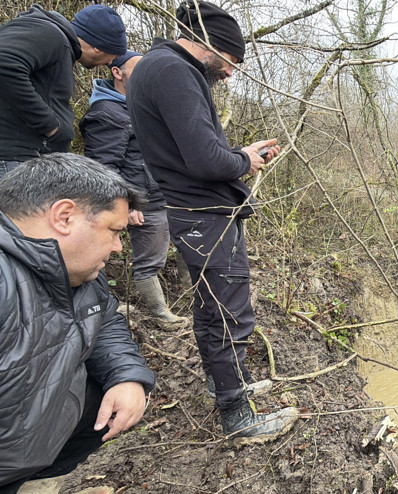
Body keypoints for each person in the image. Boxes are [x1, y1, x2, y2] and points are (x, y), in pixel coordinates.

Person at [127, 0, 296, 439]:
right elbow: (205, 160)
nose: (230, 72)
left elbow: (194, 150)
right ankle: (236, 415)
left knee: (211, 307)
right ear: (209, 44)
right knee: (229, 313)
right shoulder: (173, 71)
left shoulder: (158, 67)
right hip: (204, 216)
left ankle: (224, 384)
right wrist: (243, 159)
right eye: (231, 61)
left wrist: (241, 154)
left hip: (194, 213)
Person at [0, 154, 156, 493]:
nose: (118, 248)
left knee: (105, 398)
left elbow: (103, 319)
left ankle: (37, 483)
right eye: (114, 232)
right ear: (64, 216)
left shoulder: (76, 268)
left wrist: (126, 376)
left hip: (26, 442)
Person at [79, 50, 189, 330]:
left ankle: (192, 300)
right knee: (148, 262)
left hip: (164, 197)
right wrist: (125, 205)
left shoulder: (140, 107)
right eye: (137, 69)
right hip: (142, 202)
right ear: (117, 72)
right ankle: (160, 315)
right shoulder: (106, 113)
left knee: (189, 248)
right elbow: (103, 168)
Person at [0, 4, 127, 178]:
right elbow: (5, 64)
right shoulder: (50, 33)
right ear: (99, 46)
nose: (111, 63)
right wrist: (50, 126)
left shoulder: (58, 42)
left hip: (23, 159)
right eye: (114, 55)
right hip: (13, 159)